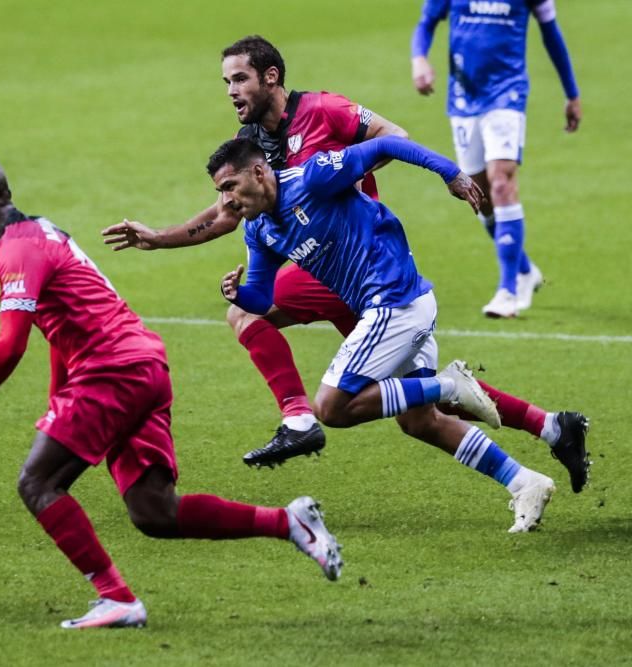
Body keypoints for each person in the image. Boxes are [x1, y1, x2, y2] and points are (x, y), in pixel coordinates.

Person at [102, 35, 589, 493]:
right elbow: (230, 212)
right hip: (329, 271)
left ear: (270, 77)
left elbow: (392, 136)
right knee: (416, 410)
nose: (231, 91)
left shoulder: (321, 109)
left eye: (239, 79)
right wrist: (160, 238)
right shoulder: (250, 144)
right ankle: (550, 430)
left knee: (252, 320)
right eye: (226, 82)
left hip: (361, 262)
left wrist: (338, 187)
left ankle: (299, 420)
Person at [0, 157, 342, 630]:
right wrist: (59, 400)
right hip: (144, 365)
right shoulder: (44, 232)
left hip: (113, 372)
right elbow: (59, 332)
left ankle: (116, 597)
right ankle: (289, 523)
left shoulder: (16, 251)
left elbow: (10, 344)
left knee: (37, 483)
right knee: (155, 511)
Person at [210, 136, 556, 533]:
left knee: (331, 408)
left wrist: (451, 172)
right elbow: (262, 295)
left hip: (395, 301)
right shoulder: (259, 230)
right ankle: (524, 481)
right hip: (400, 307)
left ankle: (447, 386)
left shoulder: (314, 178)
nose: (225, 202)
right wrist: (239, 296)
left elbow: (385, 145)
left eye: (229, 187)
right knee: (420, 421)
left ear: (257, 172)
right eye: (220, 192)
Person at [411, 0, 581, 318]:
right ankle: (525, 269)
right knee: (479, 196)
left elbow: (551, 34)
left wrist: (571, 94)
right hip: (463, 97)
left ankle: (508, 290)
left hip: (507, 93)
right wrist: (419, 58)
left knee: (502, 182)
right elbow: (426, 21)